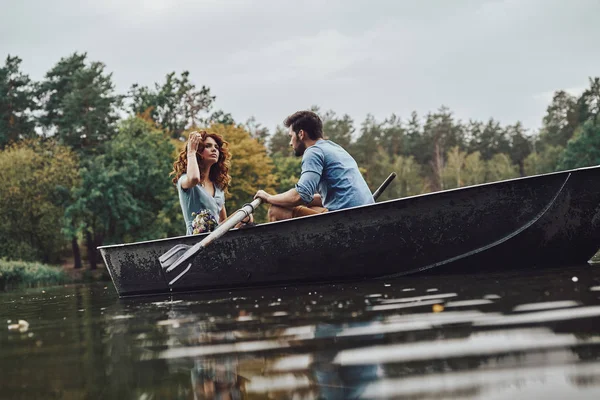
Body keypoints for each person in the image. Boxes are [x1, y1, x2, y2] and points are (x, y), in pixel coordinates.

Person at [255, 110, 374, 222]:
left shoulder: (313, 152)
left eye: (291, 136)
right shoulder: (334, 148)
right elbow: (319, 198)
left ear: (301, 134)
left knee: (276, 210)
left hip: (347, 222)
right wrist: (285, 198)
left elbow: (300, 196)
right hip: (367, 214)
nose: (290, 142)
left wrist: (268, 198)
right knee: (307, 204)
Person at [171, 130, 250, 235]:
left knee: (246, 215)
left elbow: (222, 221)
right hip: (196, 240)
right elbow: (194, 178)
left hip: (216, 237)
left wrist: (242, 220)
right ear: (198, 151)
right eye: (208, 146)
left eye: (216, 147)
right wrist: (191, 152)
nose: (214, 149)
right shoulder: (185, 180)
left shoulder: (218, 187)